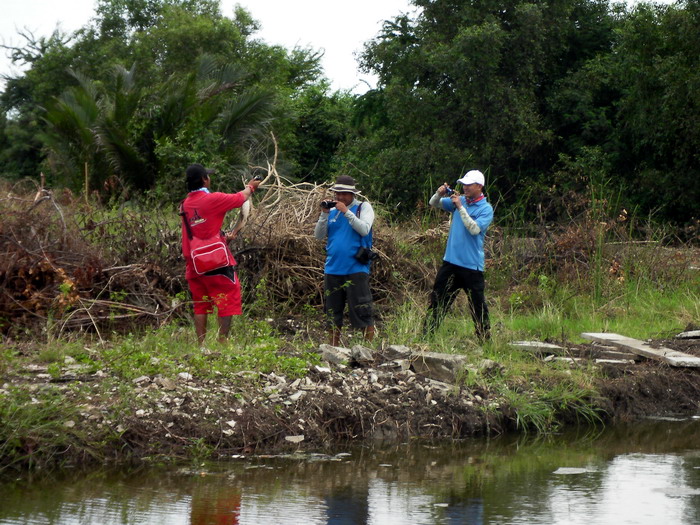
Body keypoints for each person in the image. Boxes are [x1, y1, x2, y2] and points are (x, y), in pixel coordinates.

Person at [180, 163, 261, 346]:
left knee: (200, 303)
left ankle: (201, 346)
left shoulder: (185, 204)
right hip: (215, 263)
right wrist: (251, 186)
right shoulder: (212, 199)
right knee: (228, 296)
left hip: (193, 262)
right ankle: (223, 341)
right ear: (203, 180)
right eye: (207, 176)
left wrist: (224, 238)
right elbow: (241, 198)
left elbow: (199, 232)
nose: (209, 178)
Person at [423, 169, 494, 341]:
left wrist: (460, 208)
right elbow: (434, 203)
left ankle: (485, 341)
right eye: (464, 184)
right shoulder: (460, 200)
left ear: (479, 186)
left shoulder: (486, 208)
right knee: (438, 300)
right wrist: (439, 194)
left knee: (478, 306)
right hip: (451, 263)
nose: (465, 187)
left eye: (469, 184)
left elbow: (474, 228)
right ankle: (426, 337)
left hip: (472, 267)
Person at [314, 175, 376, 346]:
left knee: (362, 310)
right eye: (337, 193)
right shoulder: (332, 212)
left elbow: (364, 229)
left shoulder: (363, 208)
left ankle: (368, 349)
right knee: (333, 312)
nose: (340, 197)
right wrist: (324, 214)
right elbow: (318, 236)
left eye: (344, 194)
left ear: (352, 194)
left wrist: (346, 212)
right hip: (333, 269)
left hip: (356, 269)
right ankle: (333, 349)